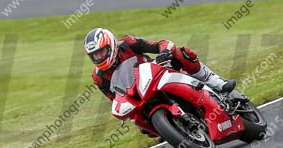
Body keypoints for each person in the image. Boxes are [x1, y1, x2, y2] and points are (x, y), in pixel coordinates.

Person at [84, 28, 236, 100]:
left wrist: (164, 52)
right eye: (94, 55)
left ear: (111, 45)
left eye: (101, 52)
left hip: (157, 75)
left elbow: (161, 44)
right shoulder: (99, 76)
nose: (98, 57)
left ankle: (214, 82)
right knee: (142, 126)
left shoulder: (128, 43)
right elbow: (114, 99)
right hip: (139, 96)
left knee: (182, 53)